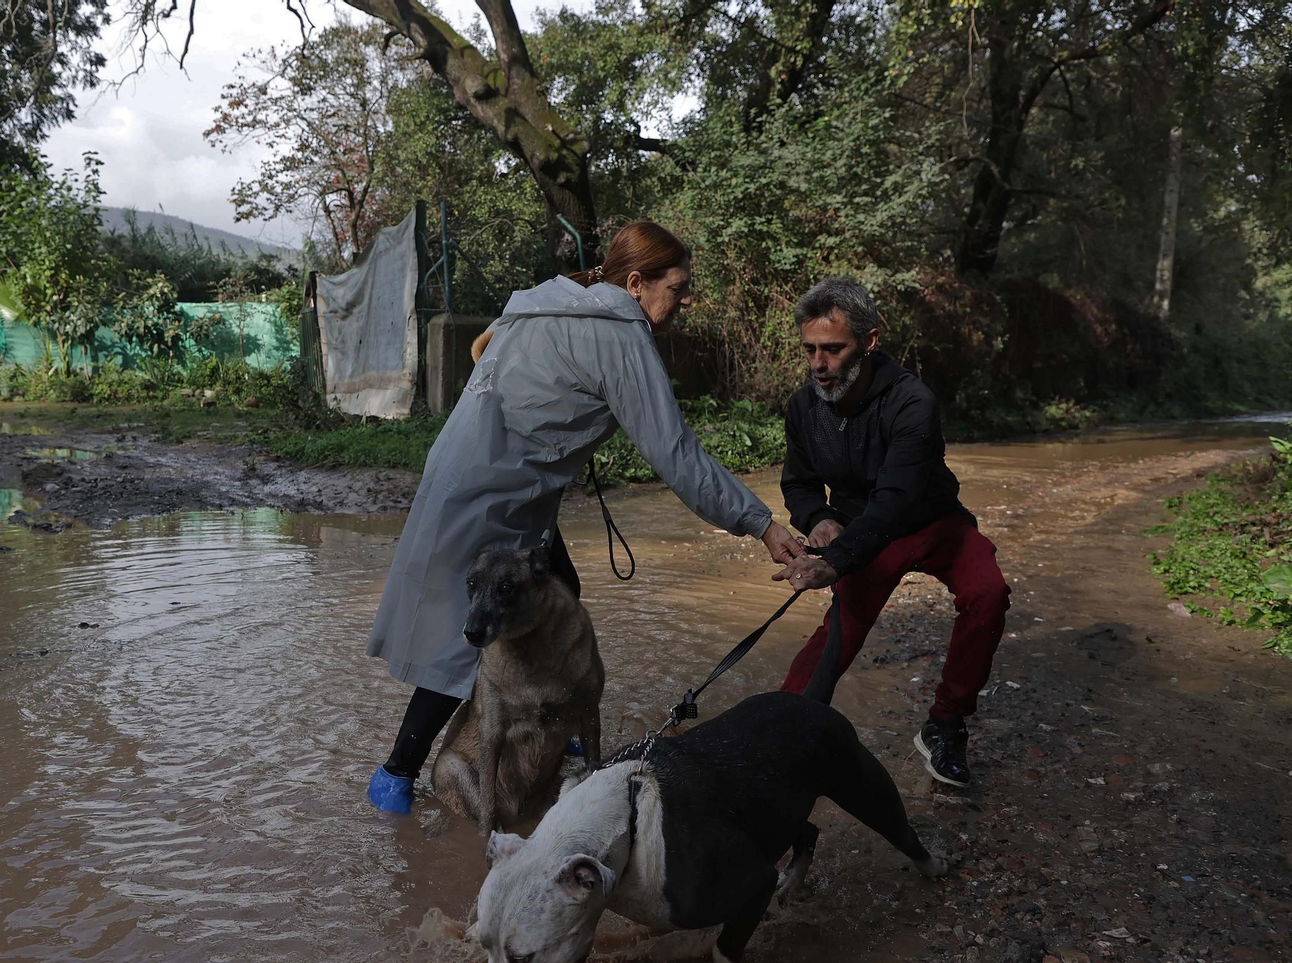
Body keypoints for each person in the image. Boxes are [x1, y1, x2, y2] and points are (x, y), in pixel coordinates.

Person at [366, 221, 802, 813]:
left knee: (560, 591)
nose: (684, 300)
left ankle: (552, 723)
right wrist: (763, 525)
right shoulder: (620, 334)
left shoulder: (546, 300)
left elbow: (483, 351)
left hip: (476, 473)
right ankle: (396, 777)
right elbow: (677, 455)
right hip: (494, 495)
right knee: (466, 637)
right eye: (677, 287)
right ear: (635, 282)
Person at [773, 277, 1010, 787]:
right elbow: (798, 484)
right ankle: (782, 729)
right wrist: (818, 519)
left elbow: (896, 500)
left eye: (833, 349)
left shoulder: (912, 401)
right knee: (842, 630)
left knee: (988, 592)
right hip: (862, 527)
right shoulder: (801, 407)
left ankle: (946, 722)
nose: (818, 364)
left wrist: (834, 561)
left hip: (930, 519)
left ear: (870, 341)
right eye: (810, 349)